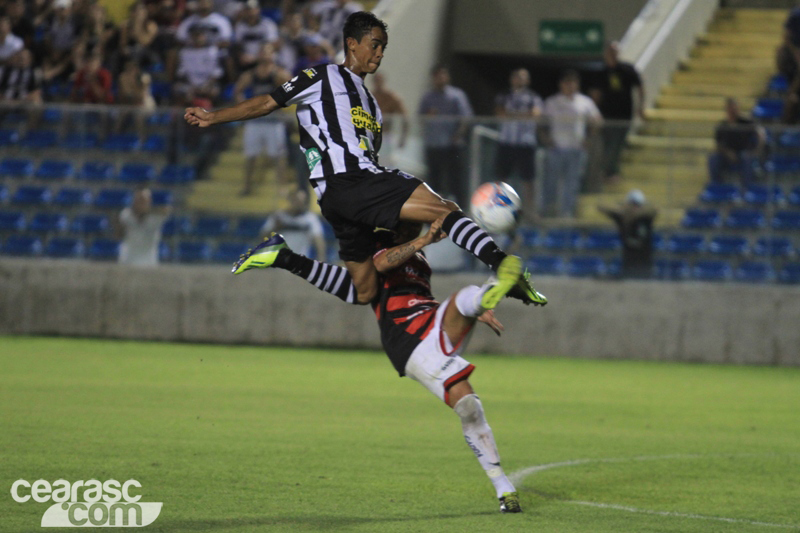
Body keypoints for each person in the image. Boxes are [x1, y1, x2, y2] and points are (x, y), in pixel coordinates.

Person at [185, 11, 546, 307]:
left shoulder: (372, 106)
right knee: (445, 209)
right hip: (353, 179)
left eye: (384, 48)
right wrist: (213, 115)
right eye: (374, 45)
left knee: (365, 291)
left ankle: (283, 256)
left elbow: (369, 149)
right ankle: (504, 267)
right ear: (352, 43)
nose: (379, 53)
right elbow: (267, 103)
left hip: (337, 197)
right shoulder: (323, 76)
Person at [233, 217, 524, 513]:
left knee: (466, 308)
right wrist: (422, 241)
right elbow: (381, 266)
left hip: (430, 321)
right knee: (468, 403)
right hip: (405, 337)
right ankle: (504, 487)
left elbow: (417, 296)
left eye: (416, 225)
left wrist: (472, 311)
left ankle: (484, 295)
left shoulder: (419, 259)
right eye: (408, 223)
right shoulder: (379, 244)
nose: (413, 228)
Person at [541, 69, 602, 218]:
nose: (570, 86)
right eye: (567, 83)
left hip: (576, 149)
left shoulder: (585, 101)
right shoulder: (552, 101)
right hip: (557, 148)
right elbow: (541, 123)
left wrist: (589, 138)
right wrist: (546, 139)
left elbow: (598, 120)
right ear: (561, 84)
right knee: (551, 181)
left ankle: (566, 212)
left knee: (572, 182)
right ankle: (549, 210)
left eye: (573, 83)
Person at [234, 43, 291, 195]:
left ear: (273, 55)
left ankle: (282, 187)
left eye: (268, 52)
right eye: (263, 52)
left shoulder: (279, 74)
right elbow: (237, 90)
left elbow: (292, 91)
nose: (265, 55)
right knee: (250, 155)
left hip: (273, 120)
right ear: (259, 55)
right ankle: (247, 186)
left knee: (279, 156)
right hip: (256, 120)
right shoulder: (250, 75)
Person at [418, 64, 474, 206]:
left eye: (444, 75)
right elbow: (420, 117)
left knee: (455, 180)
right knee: (434, 180)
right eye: (438, 75)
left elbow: (465, 117)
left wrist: (458, 134)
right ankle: (434, 209)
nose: (441, 78)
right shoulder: (428, 97)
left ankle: (460, 211)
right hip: (434, 145)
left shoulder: (457, 95)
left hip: (452, 146)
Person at [590, 41, 644, 183]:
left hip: (624, 115)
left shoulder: (627, 69)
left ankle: (612, 172)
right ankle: (608, 173)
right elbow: (596, 95)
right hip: (607, 115)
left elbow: (640, 87)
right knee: (608, 144)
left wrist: (640, 107)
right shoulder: (601, 72)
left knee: (618, 143)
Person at [494, 68, 542, 220]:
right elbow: (500, 114)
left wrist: (513, 115)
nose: (519, 80)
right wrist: (523, 115)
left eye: (523, 77)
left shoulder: (533, 97)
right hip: (506, 142)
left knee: (528, 179)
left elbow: (535, 114)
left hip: (525, 143)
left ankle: (529, 211)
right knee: (501, 178)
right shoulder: (504, 95)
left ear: (527, 80)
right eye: (516, 76)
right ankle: (499, 209)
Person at [598, 189, 657, 279]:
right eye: (632, 204)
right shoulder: (622, 218)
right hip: (628, 264)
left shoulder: (645, 218)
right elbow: (602, 208)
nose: (634, 207)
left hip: (644, 265)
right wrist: (621, 208)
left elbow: (654, 210)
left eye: (637, 205)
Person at [708, 98, 765, 185]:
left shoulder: (745, 122)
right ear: (727, 110)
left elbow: (760, 132)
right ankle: (717, 186)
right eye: (731, 109)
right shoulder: (722, 126)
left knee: (746, 158)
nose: (733, 111)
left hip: (743, 153)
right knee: (713, 158)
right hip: (727, 154)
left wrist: (757, 149)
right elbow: (718, 144)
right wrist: (728, 152)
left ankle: (747, 187)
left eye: (735, 108)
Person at [260, 188, 326, 260]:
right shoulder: (278, 217)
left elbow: (318, 240)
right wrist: (276, 228)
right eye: (297, 201)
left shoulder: (310, 218)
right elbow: (262, 238)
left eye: (302, 201)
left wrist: (321, 258)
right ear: (290, 201)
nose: (299, 204)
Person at [119, 188, 171, 267]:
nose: (140, 203)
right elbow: (118, 233)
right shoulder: (126, 215)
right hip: (128, 261)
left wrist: (147, 210)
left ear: (149, 201)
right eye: (138, 200)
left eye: (143, 200)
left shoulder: (156, 218)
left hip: (149, 262)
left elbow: (167, 210)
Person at [370, 71, 408, 166]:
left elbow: (405, 118)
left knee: (387, 165)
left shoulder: (391, 97)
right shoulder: (368, 97)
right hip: (371, 136)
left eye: (380, 80)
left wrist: (403, 138)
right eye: (376, 81)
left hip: (386, 136)